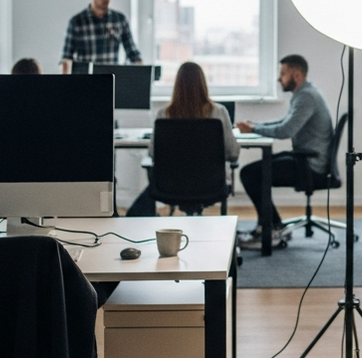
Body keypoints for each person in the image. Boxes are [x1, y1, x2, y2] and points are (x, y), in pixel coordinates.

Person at [237, 54, 333, 249]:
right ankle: (273, 226)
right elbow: (283, 122)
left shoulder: (306, 97)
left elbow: (285, 131)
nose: (279, 78)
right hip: (303, 157)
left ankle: (271, 230)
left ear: (296, 75)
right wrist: (255, 125)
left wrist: (254, 129)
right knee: (255, 171)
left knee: (250, 174)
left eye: (283, 73)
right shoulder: (304, 93)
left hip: (309, 165)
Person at [126, 62, 240, 217]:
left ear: (176, 86)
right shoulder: (219, 112)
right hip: (211, 185)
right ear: (203, 84)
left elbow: (153, 153)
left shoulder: (163, 114)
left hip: (170, 186)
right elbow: (233, 153)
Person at [59, 0, 142, 74]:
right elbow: (67, 58)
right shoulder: (77, 22)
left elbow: (132, 52)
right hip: (85, 82)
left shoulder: (120, 20)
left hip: (111, 81)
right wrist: (64, 83)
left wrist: (143, 76)